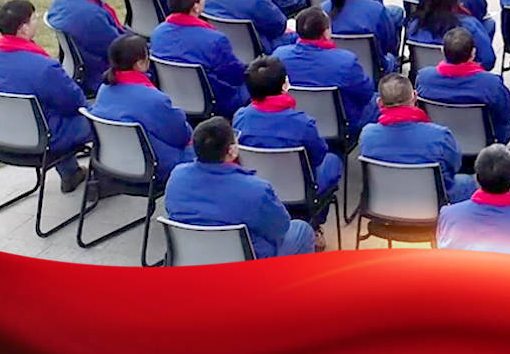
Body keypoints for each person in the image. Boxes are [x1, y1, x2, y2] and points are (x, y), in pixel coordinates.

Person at [0, 0, 91, 191]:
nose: (36, 19)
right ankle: (107, 181)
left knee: (49, 112)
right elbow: (75, 102)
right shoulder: (43, 67)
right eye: (33, 18)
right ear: (23, 29)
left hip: (3, 135)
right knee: (101, 122)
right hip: (41, 138)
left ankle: (71, 174)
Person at [164, 115, 316, 256]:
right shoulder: (256, 189)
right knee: (302, 230)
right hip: (247, 263)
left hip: (193, 256)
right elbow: (280, 228)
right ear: (231, 151)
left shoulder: (176, 178)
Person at [232, 56, 342, 207]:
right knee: (333, 160)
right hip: (299, 189)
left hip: (256, 184)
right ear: (284, 85)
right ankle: (317, 217)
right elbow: (318, 156)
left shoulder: (240, 118)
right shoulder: (303, 123)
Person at [89, 33, 193, 182]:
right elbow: (181, 136)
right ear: (140, 63)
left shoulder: (104, 89)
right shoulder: (154, 99)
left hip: (113, 160)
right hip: (155, 165)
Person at [358, 73, 476, 201]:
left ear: (379, 103)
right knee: (467, 182)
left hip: (386, 201)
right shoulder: (440, 136)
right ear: (415, 96)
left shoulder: (367, 135)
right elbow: (455, 165)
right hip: (430, 202)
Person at [273, 6, 379, 137]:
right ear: (326, 32)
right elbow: (366, 93)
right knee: (379, 100)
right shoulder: (345, 61)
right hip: (344, 125)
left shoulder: (279, 56)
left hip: (294, 122)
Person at [149, 0, 250, 117]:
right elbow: (235, 75)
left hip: (172, 96)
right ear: (195, 7)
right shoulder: (214, 40)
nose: (204, 0)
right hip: (216, 102)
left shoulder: (158, 33)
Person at [415, 26, 510, 144]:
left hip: (440, 140)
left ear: (442, 51)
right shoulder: (491, 83)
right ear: (473, 53)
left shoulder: (424, 78)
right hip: (486, 143)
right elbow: (509, 110)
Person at [45, 0, 126, 95]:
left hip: (83, 65)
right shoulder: (92, 15)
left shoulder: (60, 1)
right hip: (98, 74)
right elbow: (118, 49)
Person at [323, 0, 401, 71]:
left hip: (334, 66)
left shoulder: (324, 9)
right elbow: (388, 44)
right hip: (372, 71)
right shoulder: (376, 10)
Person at [407, 0, 496, 69]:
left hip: (424, 73)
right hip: (462, 75)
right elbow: (488, 60)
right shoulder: (468, 25)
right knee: (489, 24)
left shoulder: (414, 26)